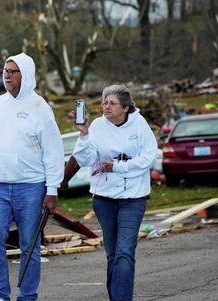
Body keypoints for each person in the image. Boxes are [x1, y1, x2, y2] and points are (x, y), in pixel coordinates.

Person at [0, 53, 64, 301]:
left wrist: (52, 189)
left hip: (31, 187)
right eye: (5, 71)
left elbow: (53, 152)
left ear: (25, 76)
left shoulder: (40, 108)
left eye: (12, 71)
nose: (7, 75)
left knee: (29, 244)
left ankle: (27, 295)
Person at [70, 84, 157, 301]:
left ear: (125, 107)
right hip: (104, 199)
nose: (106, 106)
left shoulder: (140, 125)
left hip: (133, 198)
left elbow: (148, 158)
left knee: (125, 252)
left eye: (112, 103)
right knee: (112, 255)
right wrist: (83, 134)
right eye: (104, 102)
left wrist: (118, 167)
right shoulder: (98, 126)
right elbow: (87, 159)